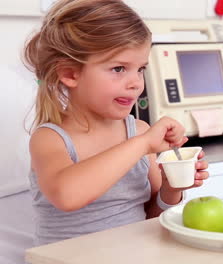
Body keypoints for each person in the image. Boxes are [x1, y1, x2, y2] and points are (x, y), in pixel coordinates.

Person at [23, 0, 209, 246]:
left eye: (140, 69)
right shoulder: (50, 138)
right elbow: (67, 195)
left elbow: (153, 217)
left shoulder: (138, 132)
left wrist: (171, 187)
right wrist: (142, 145)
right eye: (119, 68)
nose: (135, 83)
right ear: (70, 74)